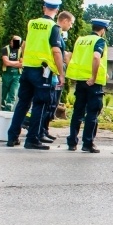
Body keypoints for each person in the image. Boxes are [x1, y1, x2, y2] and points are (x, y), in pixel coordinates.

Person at [6, 0, 65, 150]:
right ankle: (32, 139)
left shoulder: (32, 23)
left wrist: (23, 60)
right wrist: (60, 73)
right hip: (42, 71)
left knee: (22, 104)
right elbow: (56, 51)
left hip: (27, 68)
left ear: (43, 8)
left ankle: (12, 137)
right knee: (40, 104)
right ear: (57, 10)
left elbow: (24, 45)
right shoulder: (54, 27)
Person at [66, 18, 109, 153]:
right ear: (103, 30)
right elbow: (96, 57)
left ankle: (72, 142)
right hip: (93, 83)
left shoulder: (80, 40)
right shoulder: (99, 41)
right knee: (92, 113)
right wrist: (94, 77)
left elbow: (69, 56)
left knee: (77, 112)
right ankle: (88, 143)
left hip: (80, 81)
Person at [40, 10, 75, 142]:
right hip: (51, 74)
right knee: (48, 104)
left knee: (52, 105)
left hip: (53, 74)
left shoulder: (59, 33)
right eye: (70, 23)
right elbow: (56, 53)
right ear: (65, 21)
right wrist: (61, 73)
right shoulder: (55, 31)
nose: (71, 26)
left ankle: (44, 130)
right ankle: (41, 131)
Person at [0, 35, 23, 112]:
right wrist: (17, 62)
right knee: (4, 94)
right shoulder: (5, 49)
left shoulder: (21, 50)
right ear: (11, 41)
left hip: (17, 75)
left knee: (13, 93)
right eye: (15, 41)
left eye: (19, 42)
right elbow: (6, 62)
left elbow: (22, 63)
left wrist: (11, 63)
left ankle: (8, 110)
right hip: (7, 74)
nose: (17, 44)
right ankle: (3, 109)